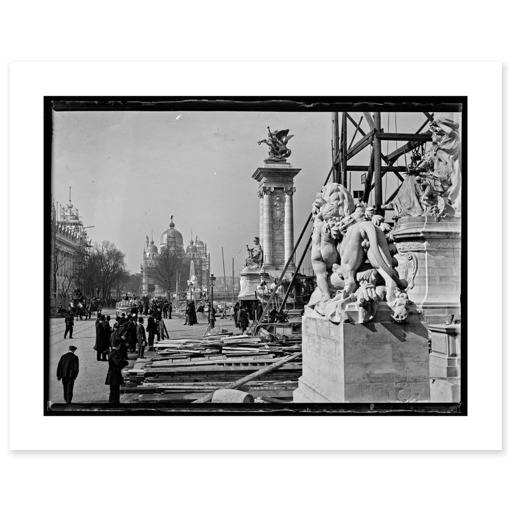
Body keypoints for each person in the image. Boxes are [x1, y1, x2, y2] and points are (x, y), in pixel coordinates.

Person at [105, 340, 128, 404]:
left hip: (113, 374)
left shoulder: (112, 352)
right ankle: (114, 404)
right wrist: (125, 362)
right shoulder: (114, 353)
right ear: (118, 346)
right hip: (114, 375)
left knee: (114, 391)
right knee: (115, 391)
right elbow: (118, 362)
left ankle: (114, 403)